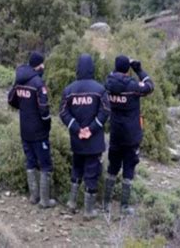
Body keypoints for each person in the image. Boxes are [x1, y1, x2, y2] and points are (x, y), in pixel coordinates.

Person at [60, 54, 110, 220]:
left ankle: (71, 203)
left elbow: (63, 112)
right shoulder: (99, 89)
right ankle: (88, 211)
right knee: (91, 172)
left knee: (76, 168)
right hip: (93, 140)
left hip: (77, 139)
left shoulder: (69, 90)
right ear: (92, 68)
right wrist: (91, 128)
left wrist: (76, 128)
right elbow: (105, 112)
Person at [103, 55, 154, 216]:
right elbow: (150, 86)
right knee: (129, 168)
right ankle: (124, 207)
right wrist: (138, 69)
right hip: (131, 134)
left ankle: (106, 204)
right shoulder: (132, 86)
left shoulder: (108, 83)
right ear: (128, 70)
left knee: (112, 167)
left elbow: (113, 74)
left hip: (116, 133)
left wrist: (120, 69)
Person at [8, 52, 56, 208]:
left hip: (24, 128)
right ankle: (44, 200)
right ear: (39, 65)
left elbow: (11, 99)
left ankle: (33, 196)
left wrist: (24, 107)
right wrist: (47, 123)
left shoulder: (19, 80)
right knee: (45, 164)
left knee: (30, 161)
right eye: (43, 64)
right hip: (38, 131)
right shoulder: (38, 84)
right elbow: (44, 109)